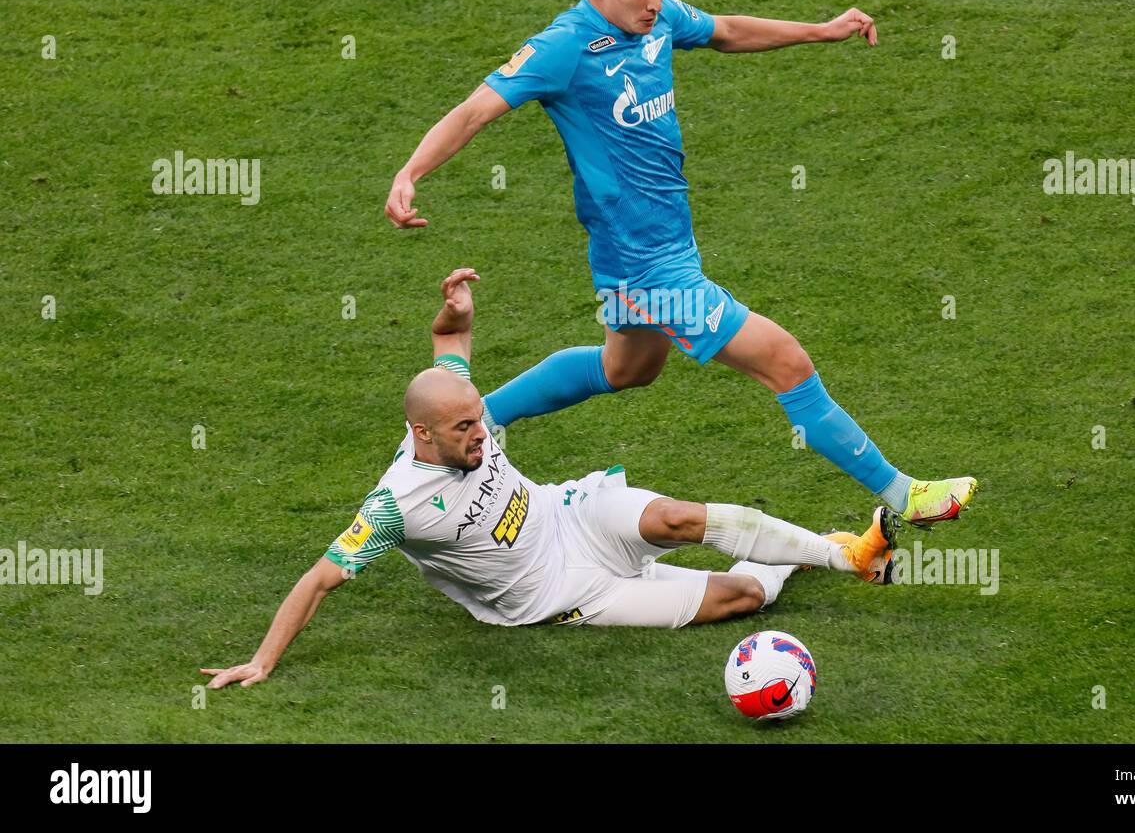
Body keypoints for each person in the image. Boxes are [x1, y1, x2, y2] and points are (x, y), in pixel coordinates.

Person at [385, 0, 978, 527]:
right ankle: (904, 494)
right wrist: (410, 174)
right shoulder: (563, 46)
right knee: (787, 362)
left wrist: (820, 31)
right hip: (647, 266)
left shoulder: (657, 18)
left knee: (627, 369)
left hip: (655, 248)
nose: (656, 2)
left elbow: (725, 31)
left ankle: (483, 415)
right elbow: (474, 111)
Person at [201, 269, 908, 689]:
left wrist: (457, 312)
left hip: (570, 513)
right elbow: (319, 578)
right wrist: (261, 662)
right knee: (742, 597)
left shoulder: (457, 402)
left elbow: (449, 348)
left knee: (678, 519)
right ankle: (808, 553)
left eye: (481, 421)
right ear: (422, 435)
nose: (482, 434)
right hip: (555, 591)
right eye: (464, 432)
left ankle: (846, 554)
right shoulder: (393, 507)